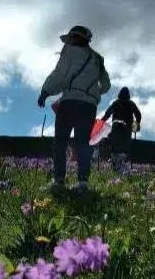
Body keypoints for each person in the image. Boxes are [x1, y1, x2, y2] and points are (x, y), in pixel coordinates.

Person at [37, 25, 111, 192]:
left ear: (76, 38)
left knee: (60, 142)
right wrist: (92, 92)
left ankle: (59, 181)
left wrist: (46, 91)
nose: (68, 41)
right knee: (83, 143)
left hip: (69, 102)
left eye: (71, 38)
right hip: (88, 106)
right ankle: (83, 182)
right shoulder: (98, 59)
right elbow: (106, 85)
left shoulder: (69, 51)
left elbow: (59, 74)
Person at [101, 87, 142, 174]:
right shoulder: (131, 104)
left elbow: (107, 113)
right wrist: (135, 126)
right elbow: (138, 115)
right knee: (124, 148)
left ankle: (115, 165)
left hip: (116, 130)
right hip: (126, 130)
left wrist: (101, 122)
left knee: (114, 147)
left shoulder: (116, 103)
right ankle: (122, 166)